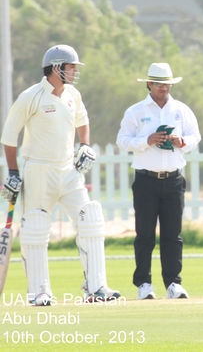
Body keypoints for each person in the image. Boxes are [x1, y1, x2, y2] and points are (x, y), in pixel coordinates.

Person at [0, 44, 120, 305]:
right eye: (71, 66)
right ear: (56, 68)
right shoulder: (31, 96)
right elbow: (9, 136)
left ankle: (96, 287)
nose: (75, 71)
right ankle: (39, 291)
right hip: (38, 171)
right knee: (36, 227)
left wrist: (85, 145)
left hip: (69, 169)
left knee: (90, 218)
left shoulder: (73, 94)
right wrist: (12, 172)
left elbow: (83, 120)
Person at [116, 63, 201, 300]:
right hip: (146, 180)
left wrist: (181, 141)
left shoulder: (181, 110)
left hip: (173, 179)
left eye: (167, 84)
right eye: (159, 84)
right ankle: (144, 284)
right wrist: (147, 140)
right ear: (149, 84)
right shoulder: (135, 111)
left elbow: (195, 136)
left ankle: (174, 283)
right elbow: (122, 140)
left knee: (173, 235)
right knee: (144, 234)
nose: (164, 88)